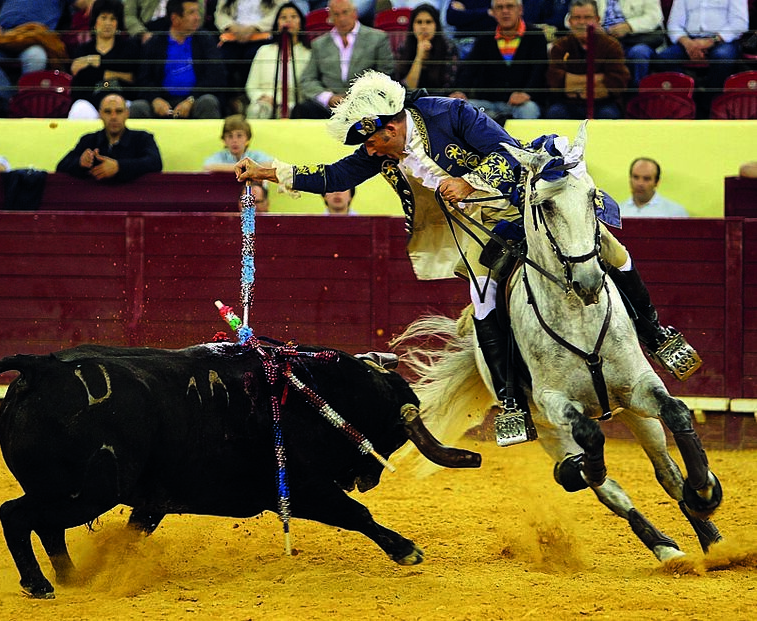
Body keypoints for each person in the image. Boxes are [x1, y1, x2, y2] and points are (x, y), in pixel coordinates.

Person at [235, 69, 697, 420]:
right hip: (476, 235)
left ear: (391, 128)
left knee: (612, 251)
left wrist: (469, 181)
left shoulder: (450, 114)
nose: (371, 151)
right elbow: (336, 175)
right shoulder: (379, 147)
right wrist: (269, 171)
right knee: (483, 301)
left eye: (374, 141)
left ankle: (657, 334)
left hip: (522, 206)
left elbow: (508, 152)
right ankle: (512, 402)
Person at [293, 0, 394, 119]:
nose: (341, 18)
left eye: (345, 12)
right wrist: (328, 98)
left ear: (355, 13)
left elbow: (385, 73)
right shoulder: (319, 44)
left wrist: (357, 97)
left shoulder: (377, 38)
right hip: (330, 106)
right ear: (330, 17)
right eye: (336, 14)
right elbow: (308, 79)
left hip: (366, 102)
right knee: (303, 109)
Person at [449, 0, 547, 121]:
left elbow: (539, 70)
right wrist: (460, 91)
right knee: (459, 108)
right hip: (489, 104)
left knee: (529, 109)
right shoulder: (484, 38)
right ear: (493, 12)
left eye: (509, 6)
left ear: (520, 10)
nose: (505, 11)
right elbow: (469, 69)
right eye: (500, 8)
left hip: (523, 104)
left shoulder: (536, 36)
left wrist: (527, 93)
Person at [129, 0, 227, 119]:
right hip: (163, 102)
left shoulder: (205, 40)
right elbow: (144, 79)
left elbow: (216, 76)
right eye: (191, 13)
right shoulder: (155, 43)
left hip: (195, 100)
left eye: (197, 12)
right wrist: (155, 99)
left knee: (208, 102)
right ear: (175, 18)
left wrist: (191, 100)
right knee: (138, 107)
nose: (197, 17)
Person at [0, 0, 90, 105]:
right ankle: (11, 100)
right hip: (4, 38)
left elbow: (81, 3)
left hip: (35, 39)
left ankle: (24, 101)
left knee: (37, 56)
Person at [545, 0, 630, 119]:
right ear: (569, 21)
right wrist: (598, 81)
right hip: (567, 104)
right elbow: (554, 80)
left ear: (597, 19)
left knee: (608, 115)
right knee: (555, 113)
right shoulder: (560, 46)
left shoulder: (612, 46)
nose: (582, 22)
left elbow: (617, 82)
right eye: (577, 18)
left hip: (603, 104)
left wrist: (571, 83)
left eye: (587, 17)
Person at [57, 93, 163, 182]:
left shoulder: (142, 138)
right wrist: (80, 162)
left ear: (127, 113)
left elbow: (155, 162)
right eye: (108, 112)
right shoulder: (88, 140)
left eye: (119, 111)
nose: (113, 117)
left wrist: (119, 167)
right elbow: (61, 166)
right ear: (100, 114)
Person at [656, 0, 748, 102]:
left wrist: (712, 41)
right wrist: (688, 44)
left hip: (722, 39)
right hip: (690, 39)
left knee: (722, 57)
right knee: (664, 58)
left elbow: (740, 23)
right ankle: (686, 100)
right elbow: (674, 24)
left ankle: (711, 103)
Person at [68, 0, 141, 119]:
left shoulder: (130, 49)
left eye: (112, 19)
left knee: (135, 109)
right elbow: (79, 85)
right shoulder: (83, 50)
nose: (108, 23)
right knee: (79, 109)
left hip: (122, 101)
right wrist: (113, 74)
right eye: (103, 18)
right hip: (91, 102)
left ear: (118, 23)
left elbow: (133, 81)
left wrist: (97, 67)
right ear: (95, 22)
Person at [245, 2, 312, 119]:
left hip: (295, 105)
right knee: (259, 109)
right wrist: (262, 97)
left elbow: (310, 87)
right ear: (277, 23)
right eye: (283, 17)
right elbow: (251, 86)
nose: (288, 21)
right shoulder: (264, 51)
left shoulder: (309, 53)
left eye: (293, 17)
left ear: (300, 23)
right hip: (266, 103)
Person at [215, 0, 282, 113]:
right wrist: (232, 27)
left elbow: (278, 11)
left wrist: (254, 28)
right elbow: (220, 13)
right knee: (221, 60)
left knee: (253, 56)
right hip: (233, 35)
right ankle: (228, 103)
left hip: (262, 35)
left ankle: (249, 100)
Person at [394, 4, 460, 96]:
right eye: (419, 22)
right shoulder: (404, 48)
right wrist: (419, 56)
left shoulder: (448, 47)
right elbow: (407, 89)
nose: (423, 27)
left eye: (428, 22)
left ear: (436, 26)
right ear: (412, 26)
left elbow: (449, 87)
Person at [598, 0, 667, 86]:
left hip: (638, 40)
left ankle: (636, 94)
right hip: (605, 39)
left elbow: (655, 17)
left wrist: (629, 26)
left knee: (638, 53)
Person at [619, 157, 689, 218]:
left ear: (657, 182)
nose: (640, 183)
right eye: (636, 177)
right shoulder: (617, 212)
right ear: (630, 179)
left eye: (646, 179)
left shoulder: (675, 213)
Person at [203, 115, 274, 172]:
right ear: (224, 140)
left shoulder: (255, 155)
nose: (234, 140)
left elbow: (270, 165)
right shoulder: (220, 156)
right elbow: (208, 166)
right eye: (230, 136)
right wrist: (243, 167)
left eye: (239, 136)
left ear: (248, 139)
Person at [124, 0, 207, 42]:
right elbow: (128, 15)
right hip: (148, 30)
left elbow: (199, 16)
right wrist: (142, 33)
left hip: (182, 29)